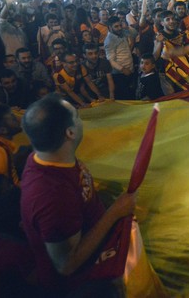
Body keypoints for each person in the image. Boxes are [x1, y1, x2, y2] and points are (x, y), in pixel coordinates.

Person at [20, 94, 136, 294]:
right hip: (86, 282)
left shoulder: (49, 156)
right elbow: (67, 264)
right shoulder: (51, 196)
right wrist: (115, 213)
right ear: (70, 132)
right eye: (77, 117)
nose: (82, 119)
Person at [104, 16, 135, 99]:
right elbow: (110, 60)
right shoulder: (109, 40)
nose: (119, 28)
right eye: (116, 26)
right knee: (125, 97)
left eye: (120, 25)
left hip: (129, 70)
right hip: (120, 75)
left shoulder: (122, 33)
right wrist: (123, 69)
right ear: (110, 27)